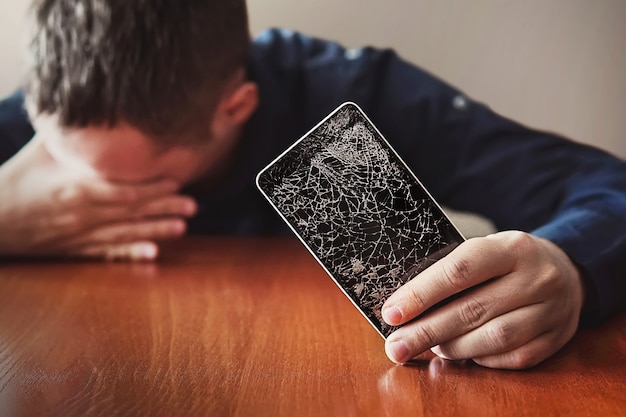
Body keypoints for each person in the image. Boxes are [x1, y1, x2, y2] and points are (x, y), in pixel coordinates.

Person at [0, 0, 625, 370]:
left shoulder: (355, 95)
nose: (78, 188)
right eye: (55, 157)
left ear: (236, 107)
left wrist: (572, 267)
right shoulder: (61, 88)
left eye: (127, 184)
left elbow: (607, 189)